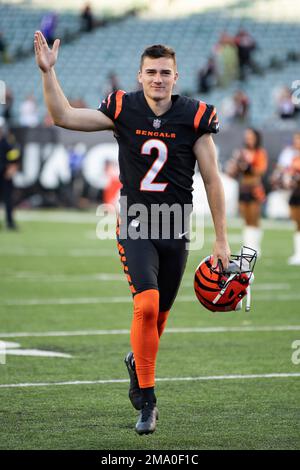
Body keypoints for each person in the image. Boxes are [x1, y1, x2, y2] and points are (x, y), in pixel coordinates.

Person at [34, 30, 231, 434]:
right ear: (139, 76)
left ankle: (135, 364)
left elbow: (212, 180)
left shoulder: (195, 115)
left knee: (157, 320)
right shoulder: (123, 107)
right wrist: (48, 74)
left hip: (176, 226)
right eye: (151, 72)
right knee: (145, 306)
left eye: (165, 73)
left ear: (177, 77)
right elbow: (64, 116)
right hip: (136, 222)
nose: (158, 79)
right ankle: (147, 402)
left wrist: (222, 237)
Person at [226, 128, 268, 256]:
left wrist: (248, 166)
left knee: (254, 218)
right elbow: (232, 171)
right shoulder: (241, 152)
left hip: (255, 188)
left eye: (250, 136)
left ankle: (255, 247)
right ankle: (248, 246)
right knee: (246, 219)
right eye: (247, 136)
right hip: (243, 188)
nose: (248, 139)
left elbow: (261, 170)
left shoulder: (260, 152)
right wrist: (235, 166)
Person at [270, 132, 300, 264]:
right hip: (296, 193)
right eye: (295, 140)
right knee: (297, 223)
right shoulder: (293, 158)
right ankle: (298, 253)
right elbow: (288, 173)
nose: (296, 142)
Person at [0, 117, 20, 230]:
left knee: (8, 200)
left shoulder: (7, 143)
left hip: (4, 176)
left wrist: (12, 168)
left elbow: (15, 157)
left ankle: (10, 222)